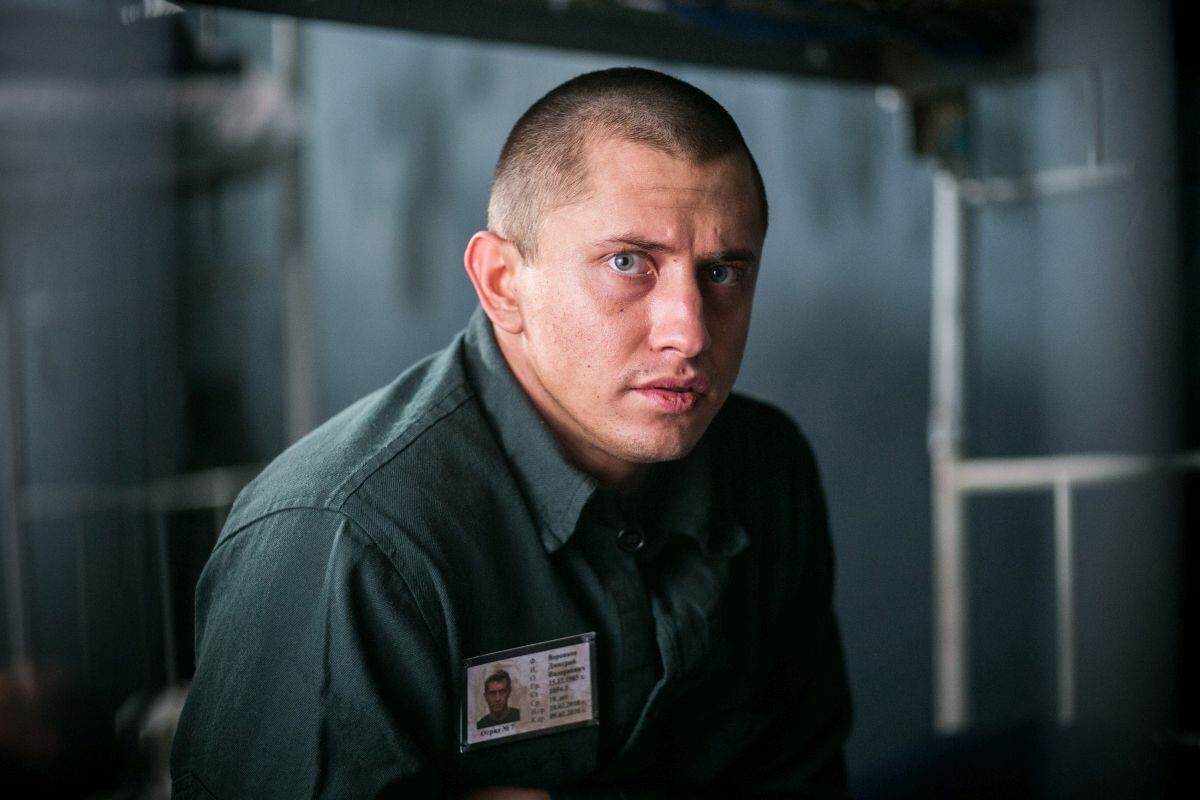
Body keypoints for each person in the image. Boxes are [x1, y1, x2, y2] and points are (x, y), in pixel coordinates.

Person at [171, 67, 851, 799]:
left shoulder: (765, 470)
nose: (688, 334)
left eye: (722, 273)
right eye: (627, 263)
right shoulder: (347, 542)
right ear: (501, 282)